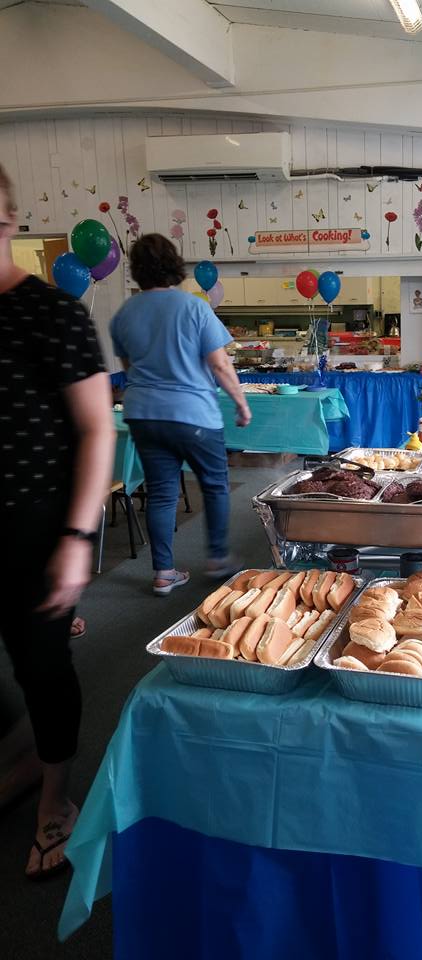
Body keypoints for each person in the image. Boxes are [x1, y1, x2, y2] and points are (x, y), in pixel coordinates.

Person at [0, 164, 115, 877]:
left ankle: (55, 799)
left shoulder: (52, 313)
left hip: (35, 526)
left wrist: (77, 538)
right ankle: (22, 755)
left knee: (42, 667)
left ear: (9, 221)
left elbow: (97, 429)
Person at [110, 234, 251, 595]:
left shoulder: (124, 314)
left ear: (137, 270)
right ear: (173, 265)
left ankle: (163, 572)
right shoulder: (194, 307)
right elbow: (220, 365)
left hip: (143, 414)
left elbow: (129, 368)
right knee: (215, 484)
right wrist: (241, 403)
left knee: (161, 492)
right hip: (193, 414)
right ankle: (217, 558)